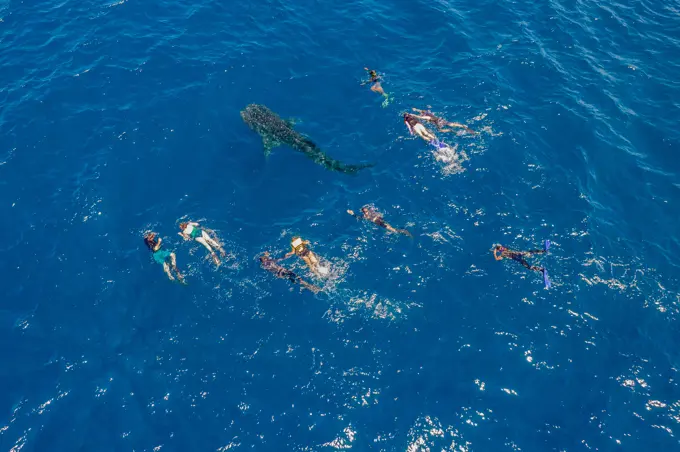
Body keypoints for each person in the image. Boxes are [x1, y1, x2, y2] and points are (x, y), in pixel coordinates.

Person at [347, 206, 412, 237]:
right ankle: (404, 231)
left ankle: (404, 232)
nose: (366, 213)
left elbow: (380, 215)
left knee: (393, 230)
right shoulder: (366, 216)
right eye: (365, 212)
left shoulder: (369, 215)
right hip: (380, 222)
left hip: (381, 223)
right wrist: (352, 214)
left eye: (367, 211)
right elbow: (359, 218)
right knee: (392, 230)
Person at [411, 108, 476, 134]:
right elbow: (421, 111)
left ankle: (452, 131)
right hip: (440, 119)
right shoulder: (426, 112)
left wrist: (413, 115)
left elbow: (419, 117)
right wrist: (416, 109)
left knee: (440, 130)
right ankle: (463, 126)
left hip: (438, 122)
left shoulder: (426, 117)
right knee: (451, 124)